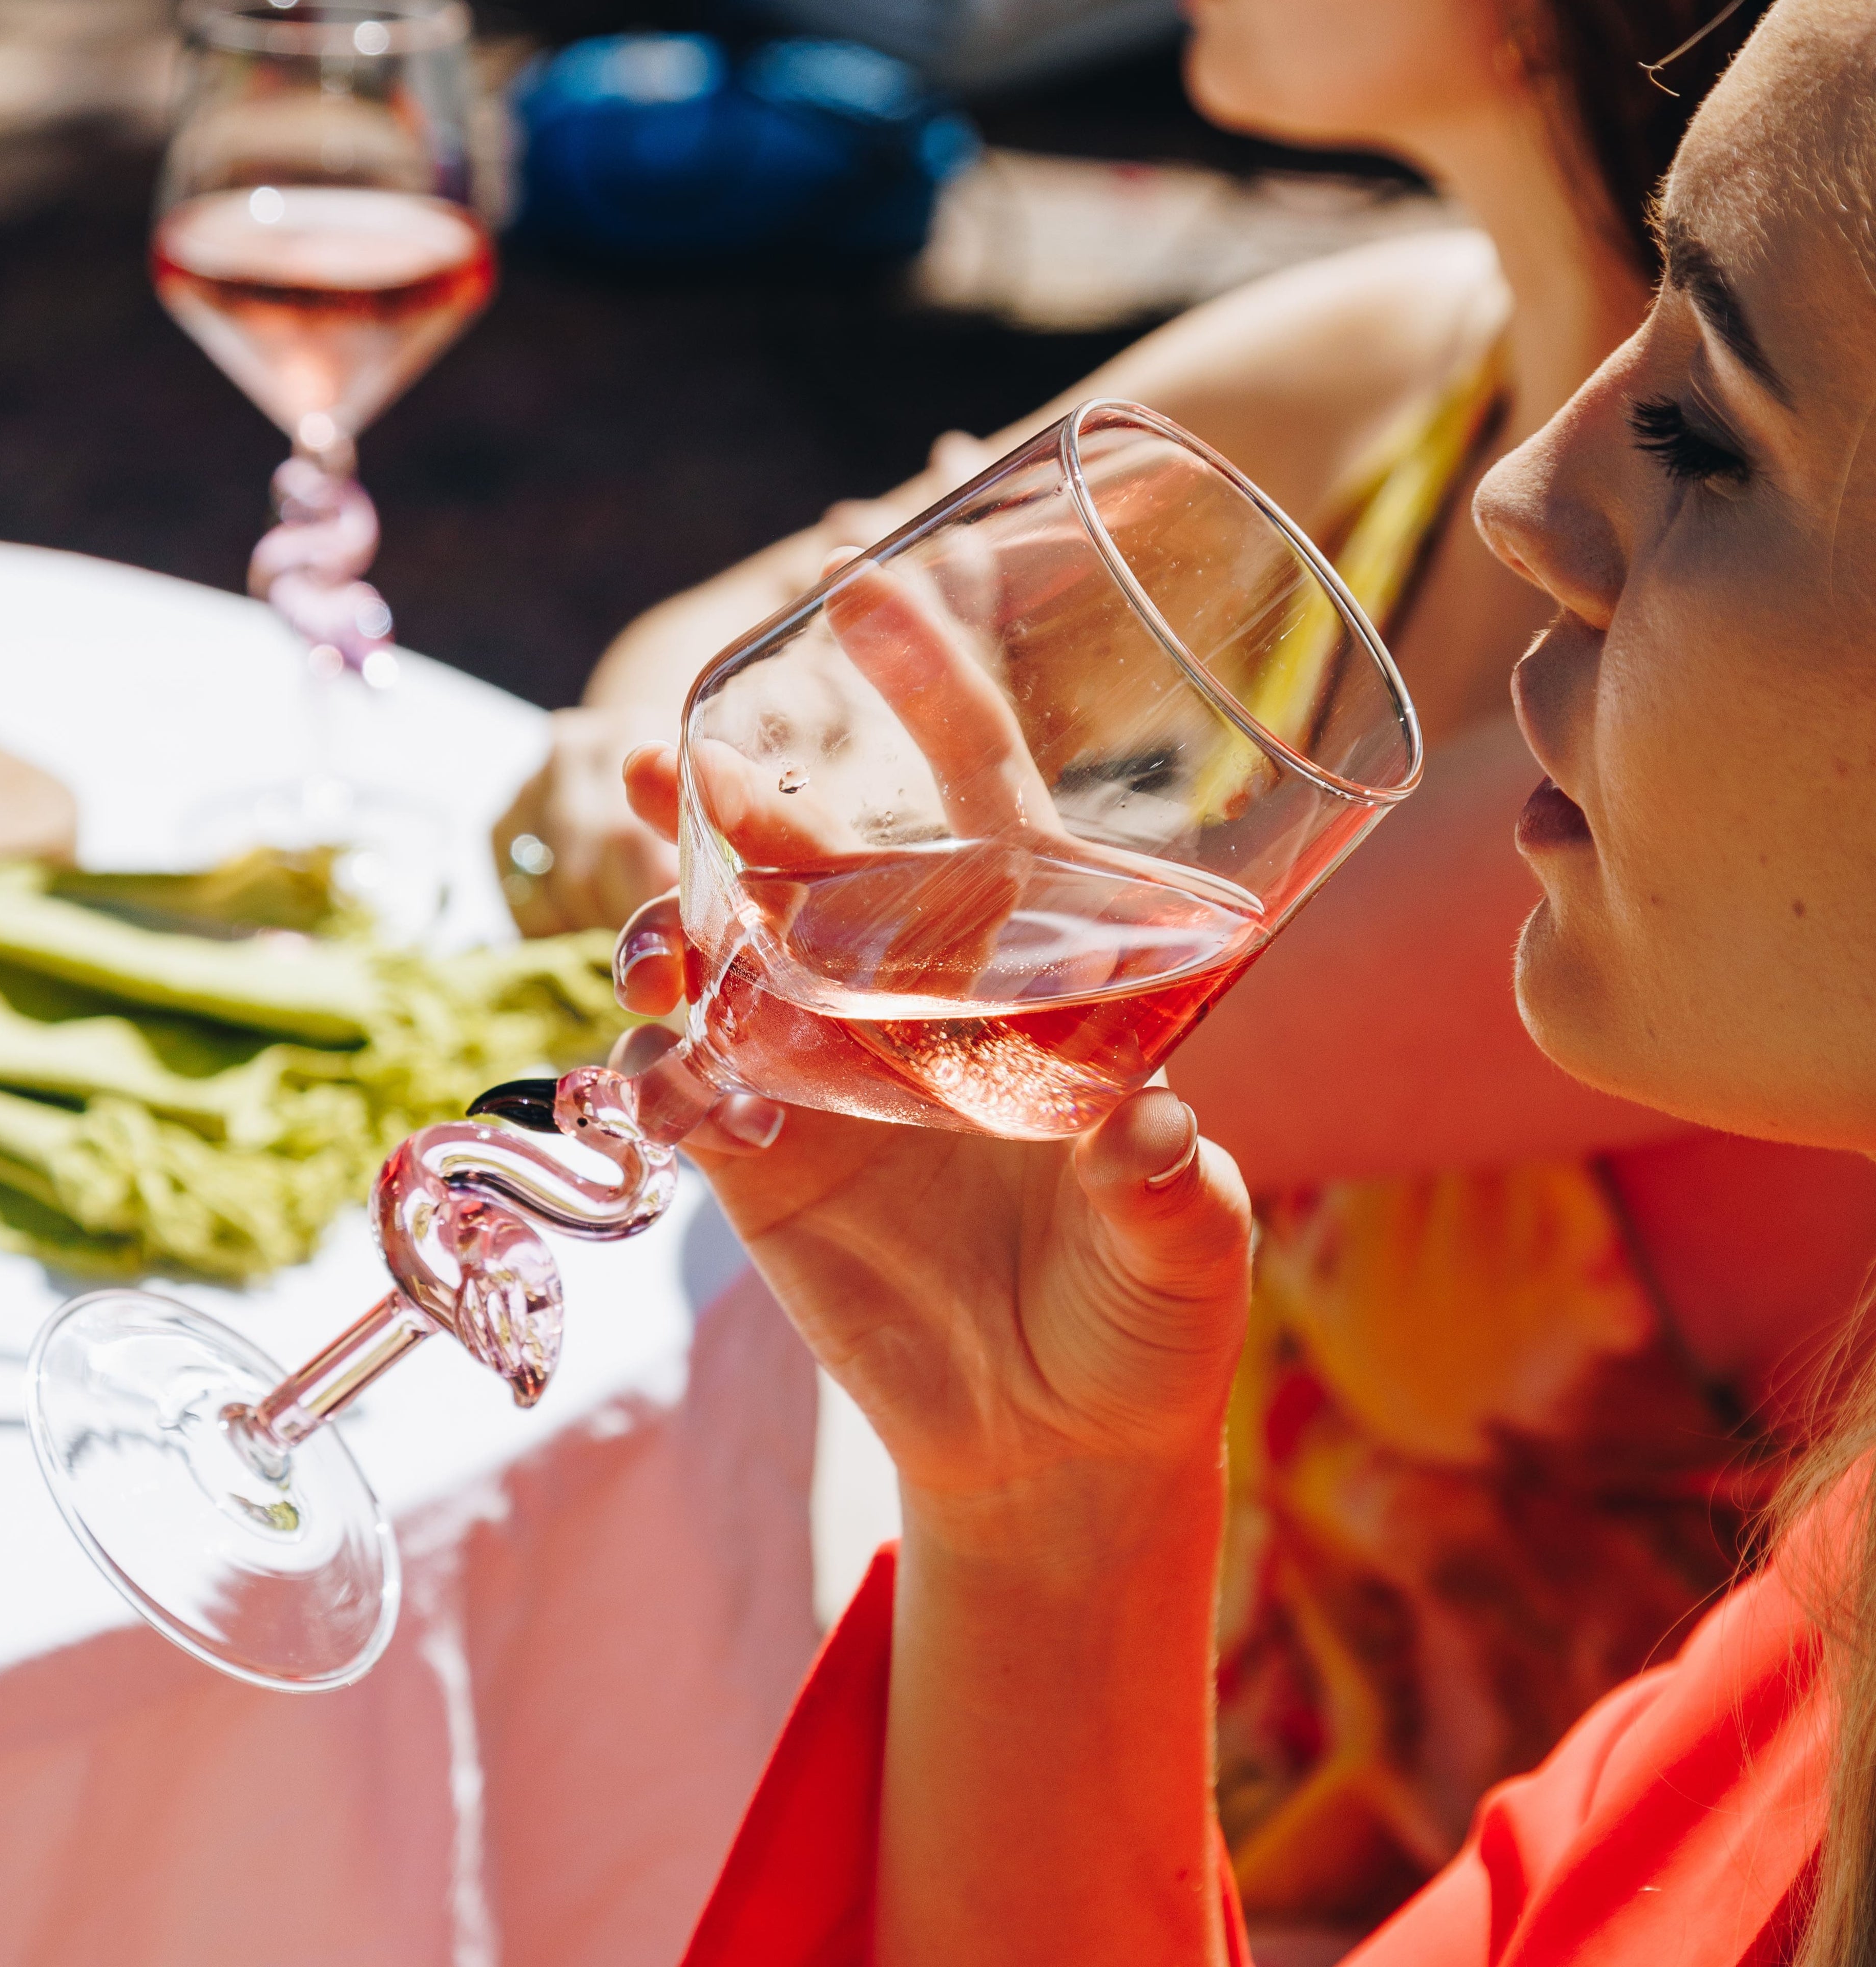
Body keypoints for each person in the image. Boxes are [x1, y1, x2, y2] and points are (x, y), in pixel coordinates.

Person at [514, 0, 1876, 1930]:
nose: (1528, 502)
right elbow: (783, 668)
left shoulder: (1630, 884)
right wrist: (1037, 1507)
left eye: (1702, 434)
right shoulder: (1827, 1648)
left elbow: (933, 963)